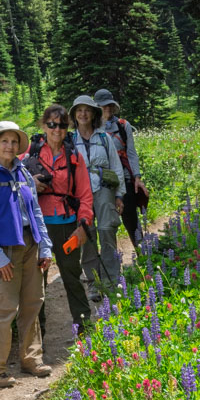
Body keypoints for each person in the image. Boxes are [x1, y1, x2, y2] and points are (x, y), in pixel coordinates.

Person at [0, 121, 53, 388]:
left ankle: (31, 359)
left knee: (32, 303)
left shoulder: (24, 175)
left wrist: (45, 245)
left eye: (14, 141)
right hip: (3, 250)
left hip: (31, 244)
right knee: (6, 308)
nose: (9, 146)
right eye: (4, 141)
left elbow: (36, 212)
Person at [27, 104, 94, 331]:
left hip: (67, 224)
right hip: (38, 226)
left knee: (72, 277)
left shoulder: (74, 156)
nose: (57, 130)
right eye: (52, 124)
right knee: (38, 284)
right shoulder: (31, 152)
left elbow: (85, 194)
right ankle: (37, 339)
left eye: (62, 125)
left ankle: (85, 329)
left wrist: (84, 224)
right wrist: (30, 184)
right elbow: (11, 179)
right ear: (43, 125)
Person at [68, 95, 125, 301]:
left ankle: (111, 279)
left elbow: (116, 167)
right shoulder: (70, 140)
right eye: (79, 110)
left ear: (93, 114)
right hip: (80, 193)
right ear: (74, 115)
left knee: (107, 230)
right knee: (87, 235)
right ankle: (93, 284)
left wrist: (119, 195)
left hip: (104, 189)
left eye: (87, 110)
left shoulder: (104, 138)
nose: (83, 114)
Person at [94, 88, 149, 251]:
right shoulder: (92, 129)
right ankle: (110, 260)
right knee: (105, 225)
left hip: (124, 179)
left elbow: (131, 153)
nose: (108, 109)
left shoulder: (123, 126)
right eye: (104, 106)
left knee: (131, 220)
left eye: (110, 106)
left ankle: (144, 254)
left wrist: (137, 178)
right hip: (100, 183)